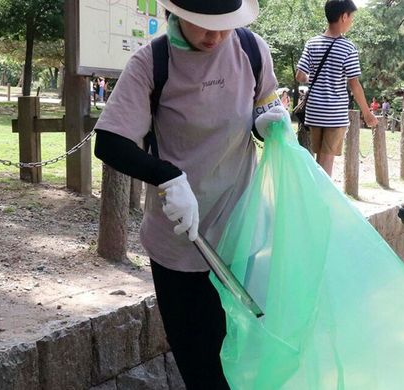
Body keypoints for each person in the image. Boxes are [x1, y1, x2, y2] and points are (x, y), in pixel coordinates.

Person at [92, 1, 283, 388]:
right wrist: (167, 177)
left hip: (240, 234)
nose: (215, 36)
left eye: (224, 26)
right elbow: (110, 142)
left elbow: (266, 104)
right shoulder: (152, 62)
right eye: (204, 25)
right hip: (181, 241)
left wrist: (267, 125)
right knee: (200, 365)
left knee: (245, 356)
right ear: (178, 14)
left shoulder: (250, 49)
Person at [295, 0, 378, 177]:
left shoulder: (312, 43)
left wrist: (316, 79)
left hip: (314, 112)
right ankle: (321, 201)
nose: (351, 21)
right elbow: (354, 84)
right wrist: (367, 113)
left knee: (319, 158)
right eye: (351, 17)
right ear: (343, 16)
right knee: (326, 162)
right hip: (334, 113)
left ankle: (316, 197)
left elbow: (300, 76)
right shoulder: (347, 47)